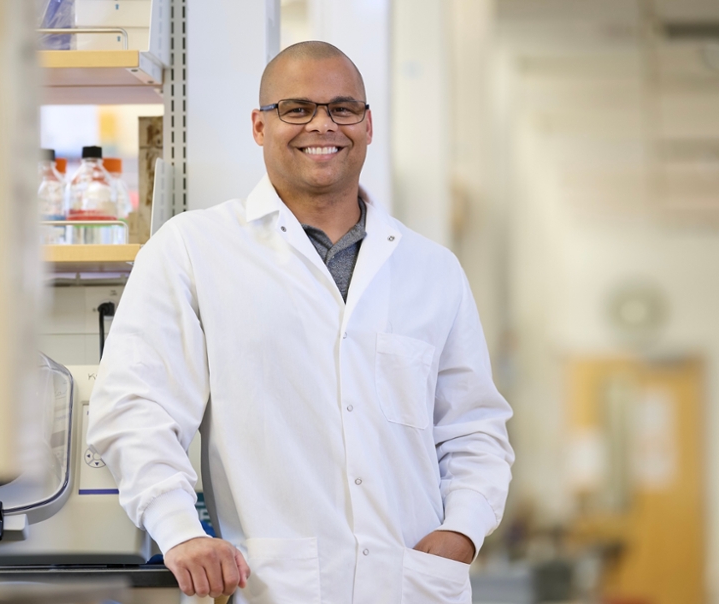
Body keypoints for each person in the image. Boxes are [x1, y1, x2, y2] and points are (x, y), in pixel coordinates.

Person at [88, 41, 514, 604]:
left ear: (366, 125)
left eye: (342, 109)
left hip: (411, 586)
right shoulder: (194, 250)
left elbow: (474, 428)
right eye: (296, 109)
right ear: (260, 126)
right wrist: (179, 530)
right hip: (268, 587)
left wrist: (463, 528)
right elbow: (136, 408)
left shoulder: (432, 269)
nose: (322, 125)